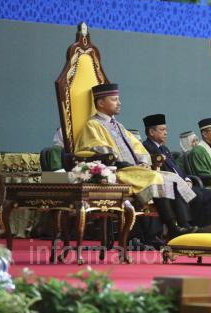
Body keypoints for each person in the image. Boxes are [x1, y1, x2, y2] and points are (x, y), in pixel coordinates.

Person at [75, 83, 196, 238]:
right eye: (114, 99)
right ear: (100, 103)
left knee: (172, 178)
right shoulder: (93, 125)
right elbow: (94, 148)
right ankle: (173, 228)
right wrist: (119, 162)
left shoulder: (118, 125)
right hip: (115, 170)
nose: (119, 103)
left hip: (134, 170)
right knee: (156, 178)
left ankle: (185, 226)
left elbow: (137, 146)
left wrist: (144, 162)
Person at [142, 114, 211, 232]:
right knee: (197, 196)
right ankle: (189, 228)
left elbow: (177, 169)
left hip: (181, 183)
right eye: (162, 130)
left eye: (166, 129)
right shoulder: (146, 147)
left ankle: (210, 231)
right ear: (151, 132)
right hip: (167, 186)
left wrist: (187, 179)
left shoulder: (164, 149)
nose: (166, 133)